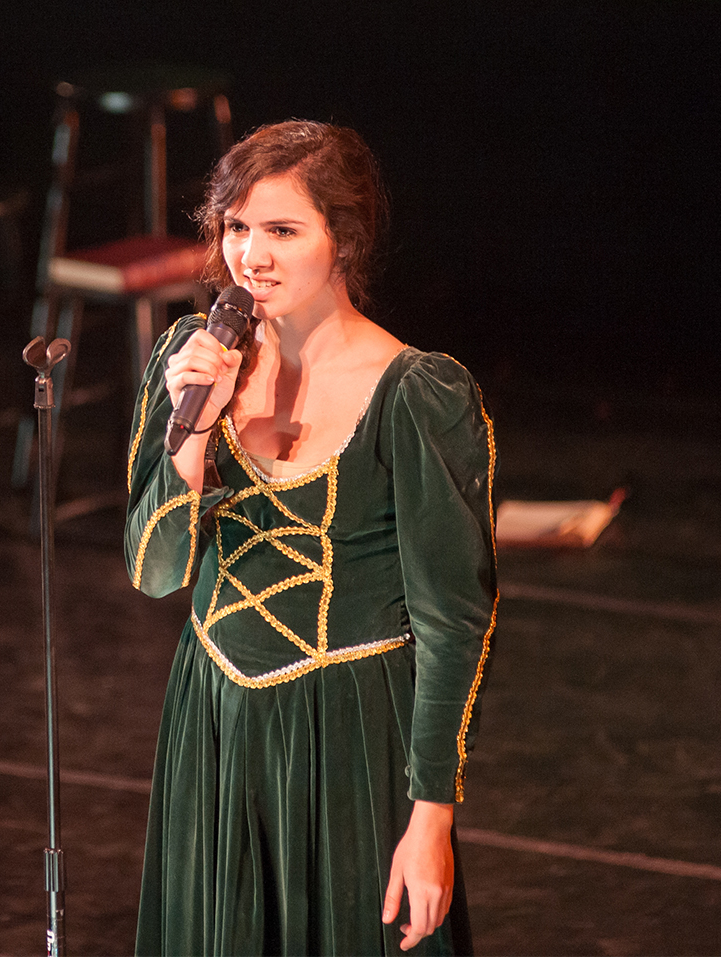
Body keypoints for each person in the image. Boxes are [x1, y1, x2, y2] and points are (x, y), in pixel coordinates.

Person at [125, 120, 495, 955]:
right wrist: (193, 434)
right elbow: (154, 573)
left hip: (349, 733)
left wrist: (430, 817)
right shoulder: (192, 359)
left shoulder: (417, 393)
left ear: (345, 240)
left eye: (282, 230)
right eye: (235, 228)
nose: (250, 255)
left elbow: (453, 622)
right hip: (212, 719)